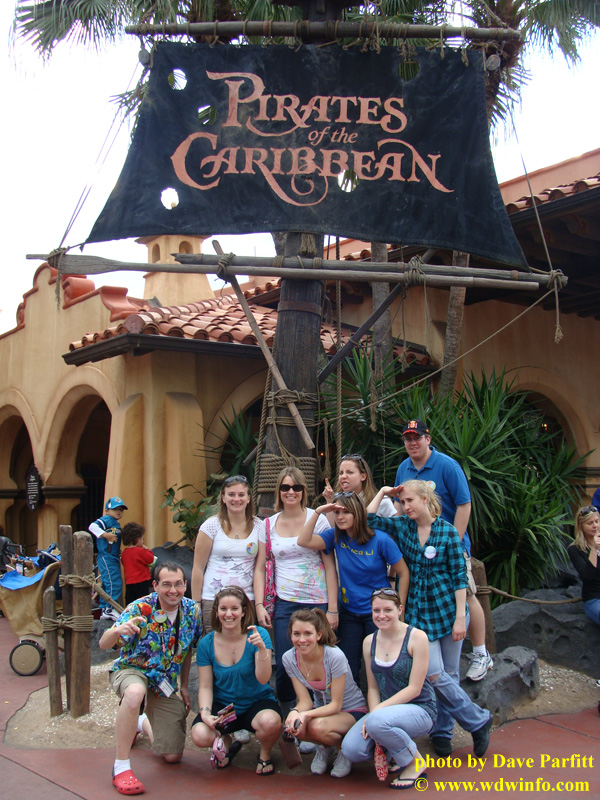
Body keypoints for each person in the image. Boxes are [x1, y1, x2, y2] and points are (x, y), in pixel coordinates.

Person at [367, 480, 492, 759]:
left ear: (425, 499)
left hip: (447, 610)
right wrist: (384, 492)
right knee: (434, 674)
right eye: (403, 502)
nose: (406, 506)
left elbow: (459, 577)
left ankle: (442, 733)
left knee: (451, 674)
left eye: (410, 500)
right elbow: (369, 519)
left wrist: (460, 618)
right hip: (419, 613)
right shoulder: (403, 526)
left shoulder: (447, 532)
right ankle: (478, 720)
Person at [394, 419, 492, 682]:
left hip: (449, 544)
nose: (412, 443)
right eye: (407, 438)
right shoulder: (403, 468)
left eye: (417, 437)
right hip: (417, 547)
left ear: (428, 439)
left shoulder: (448, 466)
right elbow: (399, 507)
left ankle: (481, 652)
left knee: (467, 593)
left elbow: (464, 504)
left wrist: (452, 542)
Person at [99, 561, 202, 795]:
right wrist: (116, 630)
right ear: (155, 585)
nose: (173, 590)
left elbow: (187, 651)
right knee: (135, 693)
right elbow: (104, 644)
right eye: (166, 584)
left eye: (178, 584)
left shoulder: (192, 611)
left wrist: (184, 686)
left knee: (172, 755)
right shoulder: (139, 608)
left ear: (185, 585)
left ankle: (140, 722)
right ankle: (121, 767)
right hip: (132, 670)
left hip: (163, 682)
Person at [297, 491, 409, 684]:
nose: (340, 517)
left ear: (357, 512)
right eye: (337, 513)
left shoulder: (381, 540)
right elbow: (303, 541)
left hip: (377, 612)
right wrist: (319, 511)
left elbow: (403, 572)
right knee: (349, 668)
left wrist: (401, 608)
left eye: (346, 512)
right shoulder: (335, 536)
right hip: (349, 612)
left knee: (382, 665)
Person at [253, 467, 339, 716]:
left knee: (318, 658)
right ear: (278, 491)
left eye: (296, 487)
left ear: (304, 491)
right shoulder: (268, 524)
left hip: (318, 600)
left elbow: (330, 565)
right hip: (285, 601)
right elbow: (260, 567)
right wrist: (259, 605)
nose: (291, 492)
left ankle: (318, 712)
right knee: (285, 661)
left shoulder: (317, 519)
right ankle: (288, 713)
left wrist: (333, 608)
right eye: (285, 487)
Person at [341, 588, 436, 789]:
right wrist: (374, 714)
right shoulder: (369, 642)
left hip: (419, 709)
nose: (381, 615)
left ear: (400, 609)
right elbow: (373, 687)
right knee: (351, 749)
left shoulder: (417, 638)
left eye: (387, 610)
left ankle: (414, 761)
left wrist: (376, 715)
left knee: (376, 722)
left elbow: (415, 689)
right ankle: (393, 749)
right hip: (383, 713)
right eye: (376, 611)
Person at [191, 586, 283, 775]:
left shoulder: (258, 635)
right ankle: (225, 739)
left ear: (243, 612)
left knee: (271, 722)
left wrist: (262, 650)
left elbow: (264, 678)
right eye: (223, 609)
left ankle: (265, 754)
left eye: (234, 609)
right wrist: (205, 713)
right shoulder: (206, 643)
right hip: (225, 708)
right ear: (216, 612)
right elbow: (206, 686)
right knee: (200, 734)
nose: (228, 614)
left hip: (255, 703)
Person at [282, 608, 367, 778]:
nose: (302, 640)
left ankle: (343, 751)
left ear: (319, 635)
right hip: (320, 710)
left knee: (316, 726)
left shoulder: (334, 656)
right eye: (296, 634)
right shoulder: (289, 658)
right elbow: (305, 701)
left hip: (350, 710)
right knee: (297, 728)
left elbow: (336, 705)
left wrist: (305, 715)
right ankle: (325, 746)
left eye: (308, 633)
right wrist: (295, 712)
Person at [191, 475, 260, 635]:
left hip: (246, 599)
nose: (236, 499)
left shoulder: (259, 526)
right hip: (213, 598)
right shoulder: (211, 526)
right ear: (223, 497)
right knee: (214, 644)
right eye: (231, 494)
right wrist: (196, 603)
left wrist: (259, 603)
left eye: (241, 495)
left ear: (249, 498)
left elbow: (260, 568)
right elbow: (198, 568)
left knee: (245, 644)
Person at [568, 505, 600, 686]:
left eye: (597, 521)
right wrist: (594, 549)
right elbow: (587, 576)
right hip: (594, 597)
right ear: (581, 526)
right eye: (590, 523)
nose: (595, 526)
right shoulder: (575, 549)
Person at [323, 453, 397, 518]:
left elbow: (396, 527)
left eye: (350, 472)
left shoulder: (382, 501)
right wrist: (330, 501)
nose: (343, 476)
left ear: (363, 476)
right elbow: (332, 528)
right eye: (341, 473)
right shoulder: (338, 500)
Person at [90, 496, 128, 621]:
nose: (118, 512)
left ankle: (105, 608)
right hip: (106, 556)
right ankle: (109, 608)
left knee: (109, 582)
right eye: (115, 509)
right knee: (113, 582)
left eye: (121, 510)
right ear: (107, 510)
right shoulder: (106, 520)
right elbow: (92, 526)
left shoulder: (116, 523)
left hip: (113, 556)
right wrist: (105, 535)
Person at [121, 522, 156, 605]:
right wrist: (146, 549)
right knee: (143, 602)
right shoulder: (140, 551)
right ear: (137, 539)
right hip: (142, 581)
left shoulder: (125, 553)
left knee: (130, 602)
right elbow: (150, 559)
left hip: (129, 583)